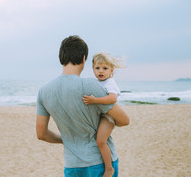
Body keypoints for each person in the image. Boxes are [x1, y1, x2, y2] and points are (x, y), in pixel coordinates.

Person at [36, 35, 129, 177]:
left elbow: (41, 134)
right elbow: (124, 120)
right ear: (84, 58)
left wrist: (66, 140)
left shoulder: (44, 91)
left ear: (61, 57)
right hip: (99, 164)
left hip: (72, 165)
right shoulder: (91, 85)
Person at [82, 52, 123, 177]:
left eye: (105, 68)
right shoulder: (97, 82)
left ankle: (109, 168)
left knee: (100, 141)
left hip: (108, 117)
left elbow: (112, 99)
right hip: (101, 114)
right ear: (93, 69)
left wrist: (95, 100)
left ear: (111, 70)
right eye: (97, 68)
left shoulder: (110, 83)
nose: (101, 71)